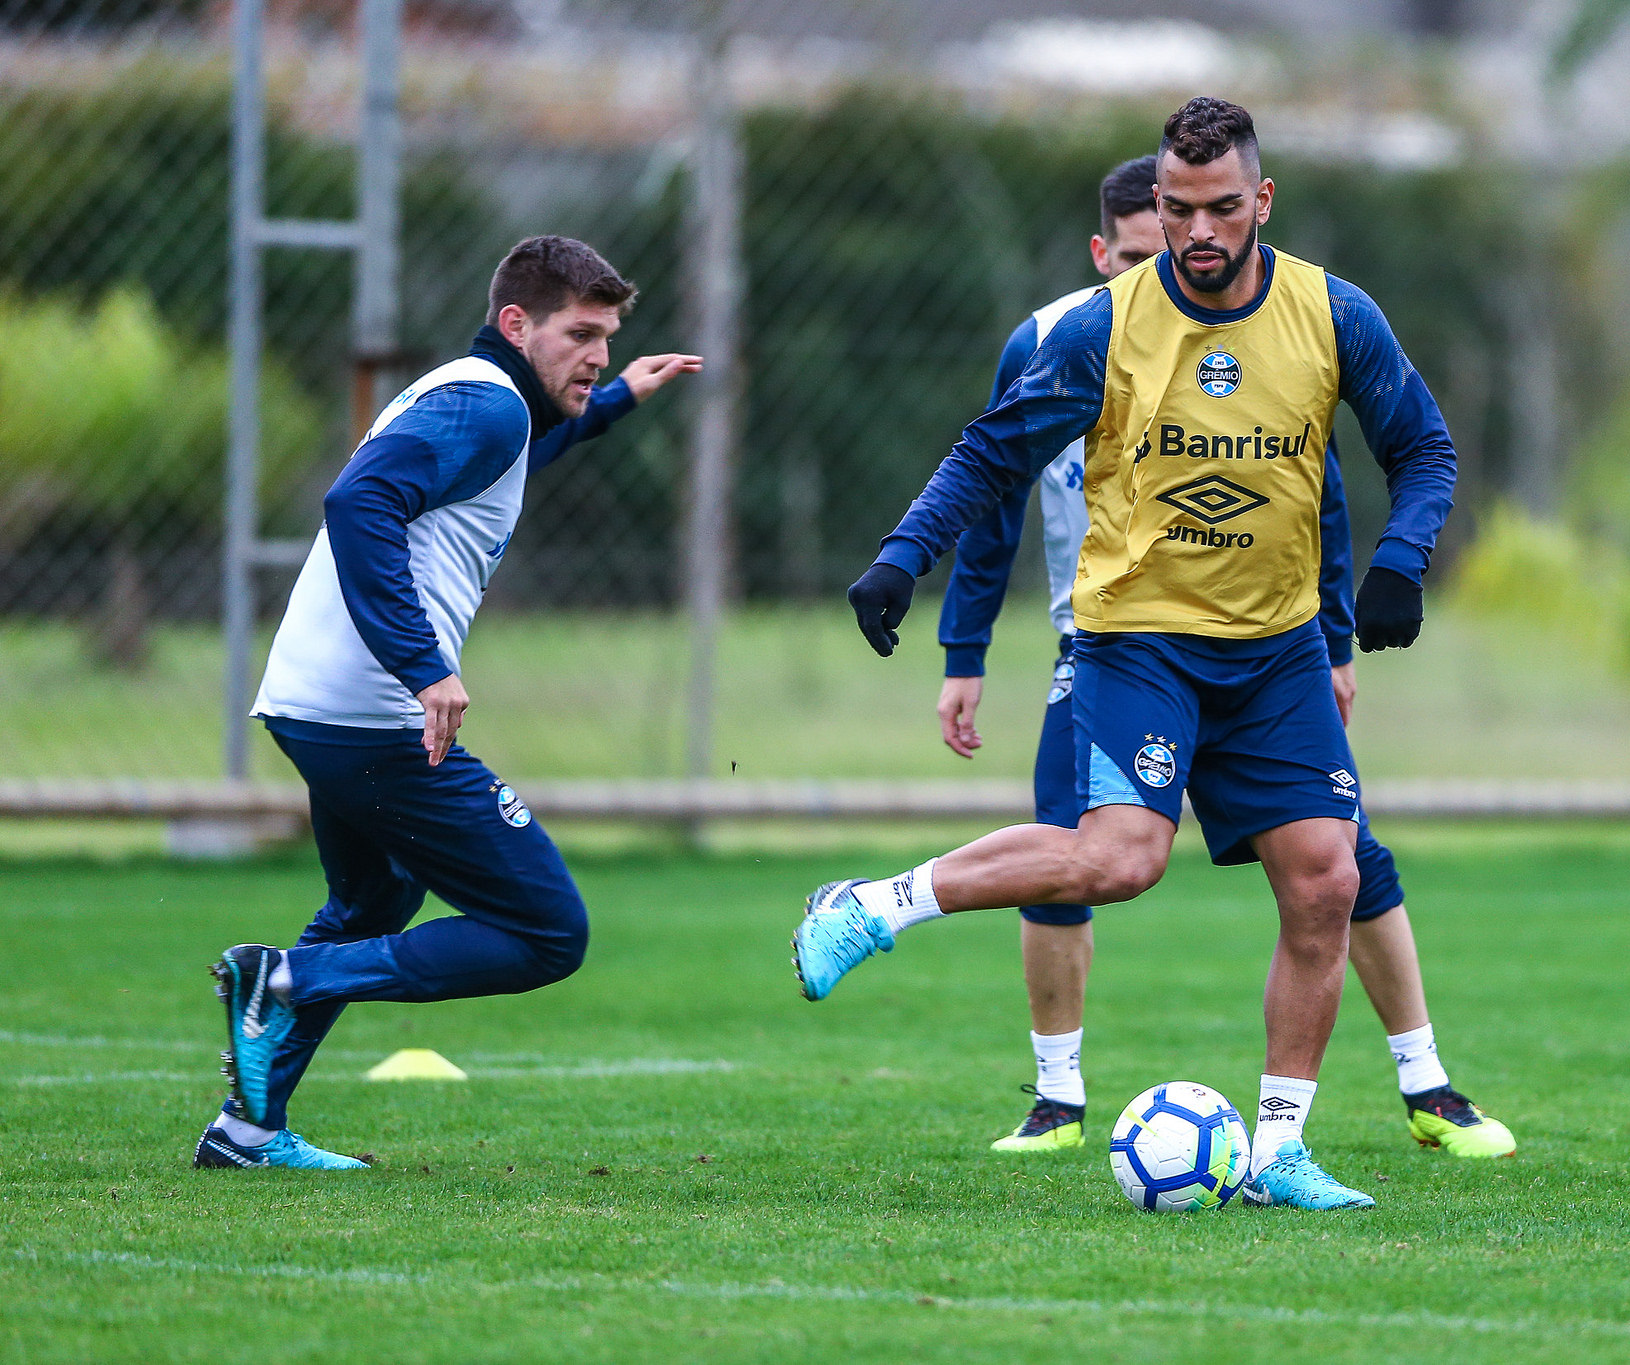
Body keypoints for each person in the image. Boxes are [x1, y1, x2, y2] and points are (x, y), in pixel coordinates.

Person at [797, 98, 1506, 1210]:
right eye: (1176, 210)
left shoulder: (1333, 313)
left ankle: (1275, 1152)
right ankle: (876, 905)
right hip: (1139, 645)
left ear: (1261, 201)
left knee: (1324, 879)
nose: (1197, 232)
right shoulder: (1102, 328)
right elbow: (990, 456)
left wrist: (1400, 562)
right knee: (1120, 861)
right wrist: (902, 557)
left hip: (1272, 655)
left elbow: (1420, 444)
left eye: (1221, 207)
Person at [197, 236, 700, 1170]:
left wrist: (620, 392)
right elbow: (358, 504)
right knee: (547, 932)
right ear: (518, 323)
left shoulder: (484, 397)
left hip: (322, 706)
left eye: (607, 337)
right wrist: (425, 666)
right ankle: (282, 978)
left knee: (370, 903)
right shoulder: (483, 403)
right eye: (581, 335)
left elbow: (525, 444)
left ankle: (246, 1132)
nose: (595, 354)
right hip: (371, 715)